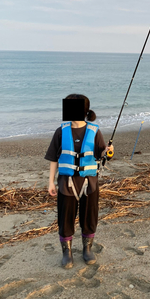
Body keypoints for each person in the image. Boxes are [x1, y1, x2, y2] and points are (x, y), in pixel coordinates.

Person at [45, 93, 113, 269]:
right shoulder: (61, 131)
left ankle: (87, 248)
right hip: (66, 183)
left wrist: (108, 151)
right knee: (65, 217)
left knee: (89, 216)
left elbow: (101, 153)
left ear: (83, 110)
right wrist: (51, 182)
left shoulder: (94, 131)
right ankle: (66, 252)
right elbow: (54, 157)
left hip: (89, 183)